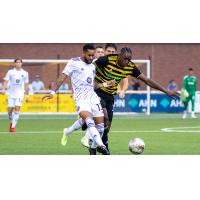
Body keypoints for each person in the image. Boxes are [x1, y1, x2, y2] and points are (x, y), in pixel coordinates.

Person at [71, 47, 179, 154]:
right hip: (96, 92)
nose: (127, 61)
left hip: (110, 95)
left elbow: (147, 80)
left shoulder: (130, 67)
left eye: (129, 59)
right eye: (125, 59)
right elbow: (89, 69)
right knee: (105, 117)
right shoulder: (106, 60)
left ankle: (99, 143)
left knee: (107, 125)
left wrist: (166, 91)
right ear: (119, 56)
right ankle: (94, 147)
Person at [42, 44, 116, 155]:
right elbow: (62, 77)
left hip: (93, 98)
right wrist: (53, 92)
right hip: (80, 98)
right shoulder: (73, 62)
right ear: (84, 53)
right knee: (89, 122)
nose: (91, 57)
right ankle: (102, 146)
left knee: (100, 128)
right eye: (89, 55)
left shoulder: (93, 66)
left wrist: (106, 84)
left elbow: (93, 86)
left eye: (93, 55)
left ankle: (68, 132)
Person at [2, 58, 29, 132]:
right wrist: (3, 89)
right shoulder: (10, 72)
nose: (18, 63)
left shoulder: (25, 73)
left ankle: (13, 126)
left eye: (19, 62)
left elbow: (26, 84)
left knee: (17, 109)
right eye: (17, 62)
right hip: (11, 93)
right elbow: (6, 81)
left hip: (20, 93)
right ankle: (12, 122)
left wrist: (27, 95)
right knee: (9, 110)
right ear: (15, 64)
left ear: (21, 63)